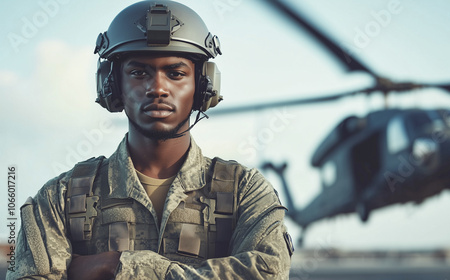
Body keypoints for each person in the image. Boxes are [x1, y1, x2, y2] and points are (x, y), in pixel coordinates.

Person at [7, 1, 293, 279]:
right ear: (112, 84)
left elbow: (268, 272)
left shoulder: (245, 191)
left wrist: (122, 266)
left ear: (203, 86)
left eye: (175, 73)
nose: (157, 88)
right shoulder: (63, 198)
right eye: (138, 72)